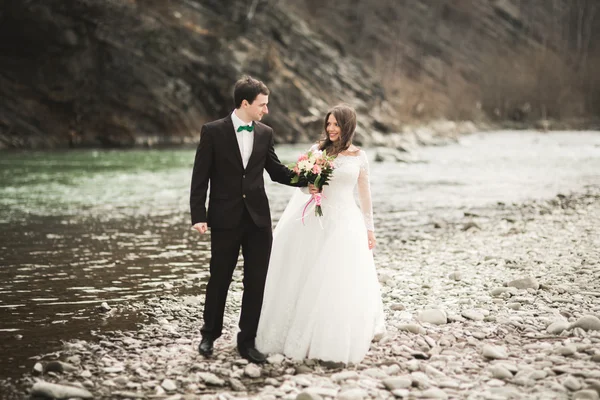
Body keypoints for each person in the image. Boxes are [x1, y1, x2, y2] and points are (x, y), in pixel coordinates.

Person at [190, 76, 309, 363]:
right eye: (262, 104)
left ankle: (247, 341)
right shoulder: (213, 131)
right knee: (219, 278)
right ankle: (209, 335)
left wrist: (310, 178)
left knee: (256, 282)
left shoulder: (265, 133)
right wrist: (199, 216)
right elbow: (200, 177)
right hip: (224, 218)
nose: (266, 110)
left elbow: (276, 171)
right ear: (245, 103)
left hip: (258, 220)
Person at [256, 104, 386, 364]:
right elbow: (302, 182)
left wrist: (369, 228)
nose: (331, 128)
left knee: (337, 278)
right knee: (306, 272)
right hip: (317, 219)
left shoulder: (359, 156)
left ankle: (332, 335)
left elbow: (364, 194)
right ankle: (297, 331)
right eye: (329, 124)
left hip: (345, 220)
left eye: (336, 124)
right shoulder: (317, 151)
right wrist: (309, 190)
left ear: (348, 125)